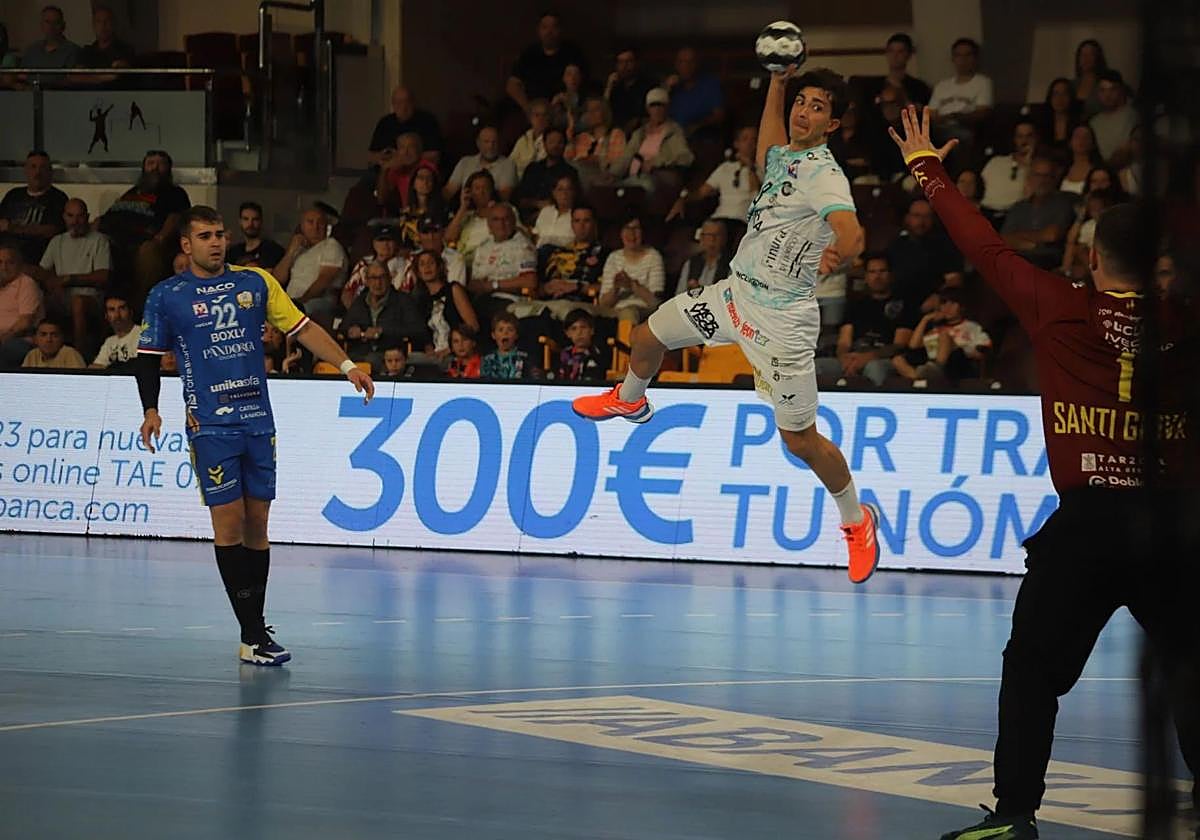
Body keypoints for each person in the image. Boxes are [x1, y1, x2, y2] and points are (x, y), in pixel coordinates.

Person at [890, 103, 1200, 840]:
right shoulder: (1186, 323)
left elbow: (983, 245)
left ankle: (1016, 815)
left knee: (1031, 670)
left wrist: (927, 166)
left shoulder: (1058, 305)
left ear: (1091, 257)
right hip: (1175, 524)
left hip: (1088, 527)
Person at [573, 68, 880, 583]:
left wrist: (837, 254)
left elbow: (854, 234)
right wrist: (778, 83)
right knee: (646, 335)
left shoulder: (824, 174)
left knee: (800, 440)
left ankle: (857, 519)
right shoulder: (785, 156)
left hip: (782, 321)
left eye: (817, 107)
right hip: (733, 295)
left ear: (833, 124)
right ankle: (631, 398)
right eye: (800, 103)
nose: (804, 113)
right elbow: (765, 151)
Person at [136, 206, 374, 666]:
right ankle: (250, 632)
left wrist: (347, 366)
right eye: (205, 236)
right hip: (210, 425)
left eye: (220, 234)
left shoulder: (256, 282)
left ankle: (254, 629)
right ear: (186, 244)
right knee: (228, 523)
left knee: (258, 525)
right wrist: (150, 409)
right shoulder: (168, 296)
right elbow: (147, 357)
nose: (216, 242)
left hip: (257, 420)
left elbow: (303, 329)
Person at [99, 149, 191, 298]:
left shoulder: (175, 193)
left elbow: (176, 218)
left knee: (148, 251)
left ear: (168, 169)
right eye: (151, 163)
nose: (155, 168)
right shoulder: (132, 192)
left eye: (161, 164)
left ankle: (144, 307)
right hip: (120, 243)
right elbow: (108, 216)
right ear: (143, 168)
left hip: (150, 245)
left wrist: (160, 237)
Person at [815, 253, 914, 386]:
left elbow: (899, 345)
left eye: (882, 271)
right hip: (853, 358)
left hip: (883, 359)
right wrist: (845, 359)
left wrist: (868, 357)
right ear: (866, 277)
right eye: (872, 272)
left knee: (874, 368)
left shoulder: (904, 306)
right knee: (816, 366)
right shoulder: (856, 305)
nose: (877, 276)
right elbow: (844, 342)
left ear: (890, 275)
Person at [36, 197, 110, 348]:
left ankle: (78, 353)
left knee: (78, 301)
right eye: (70, 216)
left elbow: (103, 276)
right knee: (35, 295)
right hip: (62, 296)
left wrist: (69, 279)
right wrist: (51, 285)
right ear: (64, 217)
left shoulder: (99, 240)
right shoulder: (57, 241)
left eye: (80, 216)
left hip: (90, 297)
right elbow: (43, 271)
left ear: (87, 217)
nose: (75, 221)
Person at [667, 126, 760, 235]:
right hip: (720, 218)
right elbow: (701, 192)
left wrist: (750, 167)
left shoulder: (762, 168)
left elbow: (757, 195)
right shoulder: (725, 167)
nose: (749, 143)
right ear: (736, 144)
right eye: (745, 139)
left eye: (753, 140)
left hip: (742, 221)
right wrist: (683, 199)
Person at [341, 261, 429, 373]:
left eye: (382, 277)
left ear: (389, 278)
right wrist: (350, 331)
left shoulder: (403, 301)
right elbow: (342, 328)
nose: (378, 283)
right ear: (367, 281)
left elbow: (418, 331)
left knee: (372, 361)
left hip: (390, 355)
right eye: (373, 278)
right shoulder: (359, 302)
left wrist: (383, 331)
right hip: (359, 352)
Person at [892, 286, 991, 383]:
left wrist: (961, 348)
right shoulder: (935, 329)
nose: (947, 308)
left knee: (944, 336)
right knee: (897, 360)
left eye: (952, 303)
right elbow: (913, 346)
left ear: (961, 306)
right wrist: (925, 319)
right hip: (929, 364)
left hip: (958, 363)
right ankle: (920, 378)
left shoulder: (971, 326)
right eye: (944, 304)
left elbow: (983, 350)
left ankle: (935, 370)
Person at [272, 205, 348, 326]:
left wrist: (300, 303)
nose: (315, 227)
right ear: (302, 225)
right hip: (292, 302)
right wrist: (291, 252)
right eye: (310, 222)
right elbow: (277, 279)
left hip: (317, 301)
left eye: (320, 223)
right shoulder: (299, 249)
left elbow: (324, 280)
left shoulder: (331, 246)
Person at [610, 88, 695, 193]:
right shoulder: (639, 133)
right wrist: (613, 173)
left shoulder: (674, 131)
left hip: (655, 179)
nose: (657, 110)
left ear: (667, 108)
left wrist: (656, 162)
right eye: (653, 105)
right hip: (632, 178)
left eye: (661, 105)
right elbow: (626, 157)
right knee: (605, 185)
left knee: (645, 183)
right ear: (648, 108)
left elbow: (686, 157)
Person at [1000, 157, 1078, 269]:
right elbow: (1005, 239)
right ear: (1030, 178)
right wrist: (1032, 244)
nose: (1042, 181)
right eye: (1037, 175)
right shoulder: (1019, 207)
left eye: (1046, 176)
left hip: (1047, 261)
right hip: (1017, 259)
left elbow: (1052, 235)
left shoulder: (1063, 204)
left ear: (1054, 179)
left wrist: (1020, 237)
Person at [506, 12, 589, 113]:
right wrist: (528, 108)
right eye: (545, 27)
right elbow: (512, 85)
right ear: (539, 31)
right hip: (535, 110)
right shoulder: (529, 54)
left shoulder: (572, 52)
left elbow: (579, 82)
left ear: (560, 30)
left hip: (564, 108)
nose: (549, 32)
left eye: (554, 27)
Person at [534, 204, 606, 320]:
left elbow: (607, 287)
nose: (581, 226)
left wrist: (577, 287)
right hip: (549, 301)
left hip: (579, 303)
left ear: (594, 224)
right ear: (572, 224)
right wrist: (546, 288)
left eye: (586, 221)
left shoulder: (605, 254)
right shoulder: (556, 251)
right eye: (577, 221)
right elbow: (538, 286)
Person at [469, 202, 537, 319]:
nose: (501, 224)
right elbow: (475, 282)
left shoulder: (523, 246)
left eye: (506, 219)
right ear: (489, 224)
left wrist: (493, 285)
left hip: (509, 300)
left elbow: (530, 281)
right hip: (482, 298)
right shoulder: (483, 247)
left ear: (514, 222)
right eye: (496, 219)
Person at [0, 150, 68, 264]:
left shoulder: (58, 198)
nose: (38, 172)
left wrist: (15, 228)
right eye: (33, 167)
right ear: (25, 170)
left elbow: (54, 230)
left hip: (34, 260)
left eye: (42, 167)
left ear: (50, 172)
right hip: (5, 257)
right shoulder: (13, 195)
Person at [597, 214, 665, 323]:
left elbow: (656, 302)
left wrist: (632, 285)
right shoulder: (614, 257)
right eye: (626, 228)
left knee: (628, 313)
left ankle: (624, 340)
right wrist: (615, 288)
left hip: (641, 310)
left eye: (636, 229)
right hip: (615, 310)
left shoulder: (653, 257)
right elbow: (604, 303)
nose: (631, 234)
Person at [412, 249, 478, 360]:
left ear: (439, 267)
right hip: (434, 356)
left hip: (456, 354)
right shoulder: (421, 300)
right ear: (418, 272)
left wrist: (450, 349)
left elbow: (473, 326)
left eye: (431, 263)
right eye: (422, 264)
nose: (427, 267)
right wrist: (429, 348)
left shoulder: (454, 289)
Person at [927, 38, 992, 148]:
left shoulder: (982, 82)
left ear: (975, 58)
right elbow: (931, 113)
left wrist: (958, 117)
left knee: (963, 136)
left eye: (967, 55)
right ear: (953, 58)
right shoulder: (942, 85)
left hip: (965, 128)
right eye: (959, 55)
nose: (963, 60)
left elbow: (982, 112)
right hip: (939, 128)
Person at [367, 86, 443, 168]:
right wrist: (383, 157)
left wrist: (402, 160)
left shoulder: (427, 121)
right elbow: (371, 156)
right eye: (399, 102)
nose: (403, 107)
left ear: (413, 103)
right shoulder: (385, 122)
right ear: (393, 104)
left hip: (416, 170)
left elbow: (434, 155)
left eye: (407, 102)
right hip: (386, 169)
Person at [980, 120, 1039, 217]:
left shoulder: (1037, 168)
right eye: (1020, 136)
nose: (1024, 141)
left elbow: (1030, 197)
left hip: (1012, 216)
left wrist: (1029, 163)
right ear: (1014, 139)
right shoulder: (996, 161)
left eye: (1029, 136)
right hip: (985, 213)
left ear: (1036, 138)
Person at [663, 47, 725, 139]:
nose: (685, 66)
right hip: (673, 137)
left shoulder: (710, 84)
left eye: (690, 62)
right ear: (676, 65)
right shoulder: (672, 87)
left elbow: (719, 115)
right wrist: (665, 89)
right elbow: (656, 113)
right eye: (681, 62)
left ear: (697, 64)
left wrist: (697, 126)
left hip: (702, 136)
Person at [443, 126, 518, 201]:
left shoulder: (508, 164)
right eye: (486, 142)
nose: (490, 146)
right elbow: (449, 190)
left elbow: (505, 196)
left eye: (494, 142)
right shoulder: (465, 162)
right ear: (478, 143)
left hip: (494, 209)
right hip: (465, 209)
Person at [861, 33, 932, 113]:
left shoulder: (919, 88)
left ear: (909, 55)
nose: (895, 56)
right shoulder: (873, 87)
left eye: (900, 52)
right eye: (891, 51)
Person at [514, 127, 579, 212]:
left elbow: (571, 202)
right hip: (526, 216)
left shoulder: (570, 172)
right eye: (551, 142)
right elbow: (519, 199)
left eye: (560, 142)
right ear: (544, 144)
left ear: (565, 145)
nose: (556, 145)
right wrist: (537, 203)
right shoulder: (533, 168)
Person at [0, 242, 43, 370]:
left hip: (21, 339)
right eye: (0, 262)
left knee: (6, 350)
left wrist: (2, 338)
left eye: (10, 262)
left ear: (20, 265)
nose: (4, 267)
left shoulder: (26, 283)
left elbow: (25, 323)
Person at [566, 96, 626, 186]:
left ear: (605, 113)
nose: (591, 113)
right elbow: (568, 161)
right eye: (588, 110)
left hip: (603, 178)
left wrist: (597, 160)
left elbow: (618, 162)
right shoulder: (582, 137)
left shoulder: (615, 134)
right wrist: (570, 140)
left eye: (596, 109)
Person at [445, 170, 498, 267]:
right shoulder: (466, 215)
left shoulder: (504, 211)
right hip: (462, 263)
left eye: (485, 188)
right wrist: (463, 207)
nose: (482, 192)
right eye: (477, 188)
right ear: (470, 192)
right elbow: (449, 238)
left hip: (489, 260)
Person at [342, 226, 403, 309]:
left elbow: (406, 296)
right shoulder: (363, 264)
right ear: (374, 243)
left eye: (389, 240)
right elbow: (347, 292)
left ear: (395, 243)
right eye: (381, 240)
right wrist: (355, 312)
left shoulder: (405, 265)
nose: (385, 244)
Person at [1089, 69, 1137, 164]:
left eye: (1112, 89)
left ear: (1121, 90)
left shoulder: (1133, 116)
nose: (1107, 95)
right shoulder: (1093, 123)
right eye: (1102, 90)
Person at [605, 47, 655, 134]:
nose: (624, 66)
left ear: (636, 63)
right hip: (617, 135)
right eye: (621, 62)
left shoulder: (648, 86)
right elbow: (604, 112)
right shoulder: (615, 88)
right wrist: (608, 88)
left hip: (643, 133)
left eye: (629, 62)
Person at [674, 219, 731, 295]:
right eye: (708, 236)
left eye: (716, 235)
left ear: (724, 239)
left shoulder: (731, 264)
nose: (712, 240)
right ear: (701, 238)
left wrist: (701, 291)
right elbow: (679, 294)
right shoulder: (691, 263)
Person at [76, 4, 135, 73]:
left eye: (107, 21)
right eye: (98, 21)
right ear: (93, 25)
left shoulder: (125, 50)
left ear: (113, 24)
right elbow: (76, 76)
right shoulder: (86, 52)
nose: (103, 25)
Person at [227, 202, 285, 270]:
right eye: (246, 219)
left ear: (261, 221)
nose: (250, 224)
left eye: (255, 219)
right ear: (240, 221)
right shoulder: (234, 252)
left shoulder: (273, 249)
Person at [20, 5, 80, 71]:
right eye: (47, 22)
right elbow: (22, 75)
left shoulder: (73, 51)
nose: (51, 26)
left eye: (56, 22)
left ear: (63, 26)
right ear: (41, 25)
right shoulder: (32, 50)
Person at [89, 292, 140, 371]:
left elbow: (142, 367)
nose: (117, 315)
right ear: (106, 316)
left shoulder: (143, 334)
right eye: (112, 310)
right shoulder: (109, 341)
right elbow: (95, 368)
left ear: (131, 312)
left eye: (122, 308)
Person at [480, 311, 534, 379]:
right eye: (500, 330)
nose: (505, 333)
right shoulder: (487, 359)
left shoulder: (524, 357)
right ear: (493, 335)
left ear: (516, 335)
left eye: (510, 330)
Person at [556, 308, 605, 381]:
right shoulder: (564, 353)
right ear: (568, 333)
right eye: (574, 328)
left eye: (583, 327)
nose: (579, 332)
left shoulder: (596, 355)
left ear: (592, 330)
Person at [531, 175, 577, 248]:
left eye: (568, 189)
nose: (564, 193)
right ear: (554, 193)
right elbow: (535, 235)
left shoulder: (578, 214)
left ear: (574, 192)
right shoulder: (546, 211)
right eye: (560, 189)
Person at [1037, 77, 1079, 155]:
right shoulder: (1042, 122)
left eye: (1064, 94)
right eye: (1056, 94)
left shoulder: (1078, 123)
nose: (1060, 99)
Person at [510, 98, 549, 179]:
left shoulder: (551, 139)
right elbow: (510, 162)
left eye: (544, 115)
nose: (540, 119)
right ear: (530, 118)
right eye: (537, 115)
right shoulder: (523, 139)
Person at [1058, 123, 1102, 194]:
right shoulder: (1061, 171)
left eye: (1086, 137)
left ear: (1093, 143)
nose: (1081, 140)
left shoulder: (1100, 170)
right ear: (1070, 142)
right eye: (1077, 136)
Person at [1073, 39, 1108, 118]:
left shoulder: (1105, 84)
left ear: (1098, 58)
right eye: (1083, 54)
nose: (1086, 59)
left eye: (1090, 54)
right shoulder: (1072, 85)